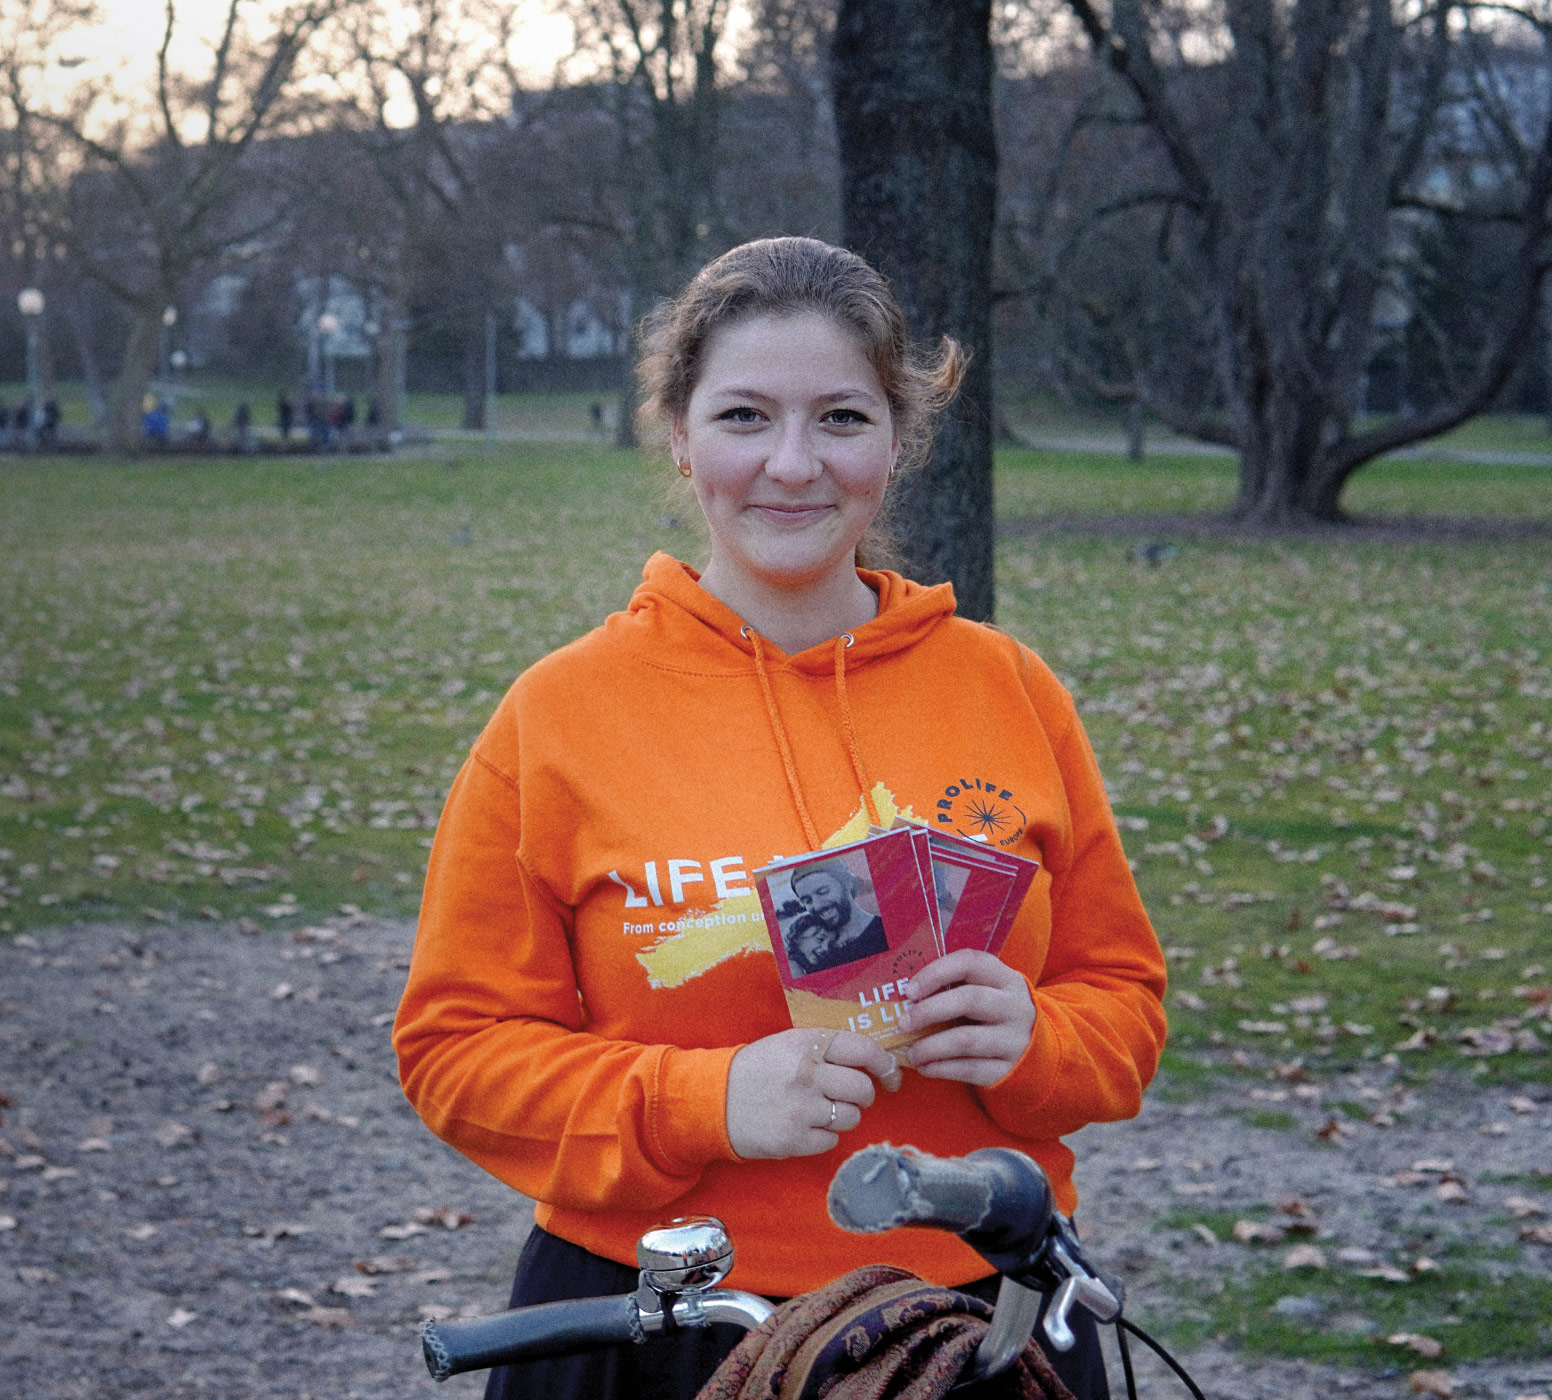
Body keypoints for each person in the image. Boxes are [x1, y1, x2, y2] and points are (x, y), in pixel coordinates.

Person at [394, 237, 1166, 1400]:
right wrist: (706, 1100)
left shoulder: (1008, 690)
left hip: (978, 1320)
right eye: (746, 416)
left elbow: (1124, 1008)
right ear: (679, 434)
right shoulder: (560, 713)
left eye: (842, 419)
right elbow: (454, 1052)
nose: (793, 465)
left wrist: (1036, 1043)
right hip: (654, 1317)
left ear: (896, 442)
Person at [784, 863, 887, 974]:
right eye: (807, 900)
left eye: (823, 892)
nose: (818, 906)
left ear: (847, 883)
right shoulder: (810, 950)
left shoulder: (883, 930)